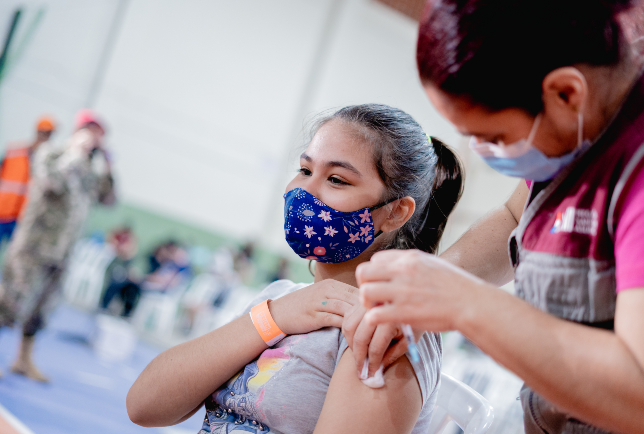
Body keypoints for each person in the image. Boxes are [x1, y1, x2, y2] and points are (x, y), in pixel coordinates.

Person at [348, 1, 644, 433]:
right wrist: (427, 285)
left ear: (565, 93)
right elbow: (513, 217)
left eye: (494, 136)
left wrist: (464, 303)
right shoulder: (591, 103)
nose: (485, 152)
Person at [126, 104, 464, 433]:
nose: (304, 191)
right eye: (305, 170)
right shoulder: (280, 300)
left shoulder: (385, 332)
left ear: (394, 212)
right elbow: (144, 405)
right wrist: (273, 317)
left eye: (336, 179)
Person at [0, 109, 115, 381]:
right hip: (33, 245)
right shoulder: (52, 154)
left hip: (62, 251)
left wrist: (108, 167)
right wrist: (74, 154)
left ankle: (23, 359)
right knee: (9, 301)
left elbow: (108, 200)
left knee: (42, 309)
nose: (93, 139)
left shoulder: (90, 170)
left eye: (99, 135)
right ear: (78, 131)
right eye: (90, 131)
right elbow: (51, 182)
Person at [0, 116, 55, 244]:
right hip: (3, 210)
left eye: (48, 134)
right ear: (36, 132)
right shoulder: (14, 151)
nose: (44, 137)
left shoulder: (48, 161)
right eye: (43, 132)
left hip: (24, 218)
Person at [100, 226, 142, 317]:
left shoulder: (129, 255)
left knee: (133, 288)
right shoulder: (113, 243)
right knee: (116, 282)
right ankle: (104, 306)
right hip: (113, 273)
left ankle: (126, 313)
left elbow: (130, 254)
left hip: (124, 277)